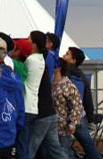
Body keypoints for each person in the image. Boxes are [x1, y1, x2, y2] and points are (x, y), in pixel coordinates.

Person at [28, 31, 68, 159]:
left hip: (41, 112)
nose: (26, 42)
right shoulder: (45, 60)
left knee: (29, 149)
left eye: (28, 39)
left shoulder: (34, 61)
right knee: (55, 149)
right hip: (50, 111)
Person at [62, 47, 102, 159]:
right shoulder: (82, 76)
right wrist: (90, 118)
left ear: (73, 60)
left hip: (65, 117)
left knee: (64, 146)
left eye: (67, 54)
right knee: (89, 145)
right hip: (79, 116)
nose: (64, 55)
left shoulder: (64, 74)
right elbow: (87, 100)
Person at [15, 32, 45, 159]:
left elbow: (19, 70)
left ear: (34, 44)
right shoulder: (41, 59)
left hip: (25, 107)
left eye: (28, 40)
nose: (27, 42)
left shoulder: (30, 60)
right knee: (25, 144)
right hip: (33, 107)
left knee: (21, 146)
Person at [52, 59, 83, 158]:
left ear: (58, 69)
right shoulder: (50, 84)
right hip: (51, 127)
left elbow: (77, 105)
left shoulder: (68, 86)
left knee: (64, 152)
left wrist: (73, 123)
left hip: (63, 127)